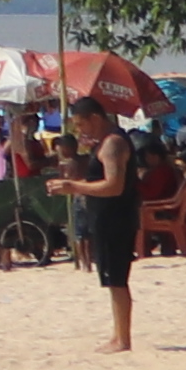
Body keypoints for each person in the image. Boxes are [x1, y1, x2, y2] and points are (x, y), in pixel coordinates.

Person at [53, 99, 141, 350]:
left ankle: (123, 339)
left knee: (117, 279)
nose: (80, 130)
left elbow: (114, 185)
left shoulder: (112, 143)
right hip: (105, 218)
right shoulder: (102, 144)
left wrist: (74, 187)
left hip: (116, 219)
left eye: (81, 124)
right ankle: (118, 335)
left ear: (95, 118)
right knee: (111, 280)